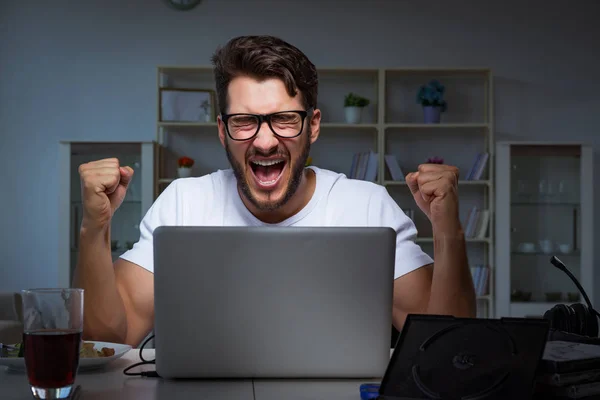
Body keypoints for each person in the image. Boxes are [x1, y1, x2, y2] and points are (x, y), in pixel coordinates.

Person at [73, 35, 476, 347]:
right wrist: (96, 228)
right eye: (246, 121)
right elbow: (109, 341)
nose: (265, 143)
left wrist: (447, 229)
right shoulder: (183, 202)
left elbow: (447, 347)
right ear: (222, 130)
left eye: (284, 119)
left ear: (313, 125)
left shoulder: (366, 206)